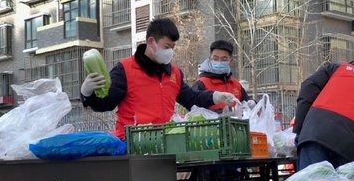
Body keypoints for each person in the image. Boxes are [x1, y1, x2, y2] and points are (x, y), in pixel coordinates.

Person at [80, 19, 238, 138]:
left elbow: (191, 99)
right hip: (133, 141)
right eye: (167, 47)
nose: (170, 52)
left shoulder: (174, 73)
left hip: (166, 141)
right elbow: (105, 104)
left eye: (173, 48)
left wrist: (216, 96)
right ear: (151, 42)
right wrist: (87, 94)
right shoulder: (125, 69)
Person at [192, 39, 249, 111]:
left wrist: (252, 103)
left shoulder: (236, 84)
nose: (219, 62)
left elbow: (246, 103)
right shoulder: (201, 83)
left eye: (224, 59)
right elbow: (193, 107)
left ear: (230, 61)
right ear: (210, 59)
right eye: (215, 59)